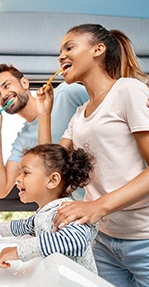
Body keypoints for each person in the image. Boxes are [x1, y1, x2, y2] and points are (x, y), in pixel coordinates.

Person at [37, 24, 149, 286]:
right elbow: (50, 170)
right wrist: (44, 113)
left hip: (144, 238)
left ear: (98, 50)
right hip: (103, 240)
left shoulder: (127, 90)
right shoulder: (80, 114)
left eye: (69, 47)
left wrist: (97, 206)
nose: (60, 56)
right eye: (60, 51)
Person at [0, 143, 98, 272]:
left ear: (52, 180)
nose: (17, 178)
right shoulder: (45, 213)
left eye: (25, 173)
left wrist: (19, 251)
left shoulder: (68, 212)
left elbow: (72, 240)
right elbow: (24, 225)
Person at [0, 64, 89, 199]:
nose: (3, 95)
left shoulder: (68, 94)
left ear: (24, 82)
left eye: (6, 86)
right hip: (84, 211)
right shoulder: (23, 140)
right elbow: (0, 190)